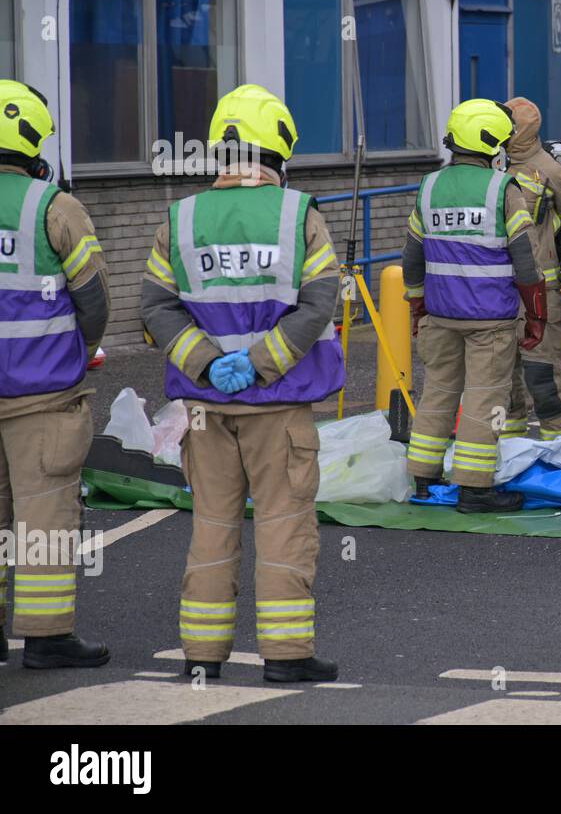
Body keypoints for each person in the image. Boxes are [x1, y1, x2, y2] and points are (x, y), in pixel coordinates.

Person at [140, 84, 344, 682]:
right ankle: (285, 657)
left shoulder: (180, 217)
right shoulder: (299, 214)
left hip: (202, 408)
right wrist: (260, 362)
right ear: (279, 149)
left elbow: (154, 307)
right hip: (276, 407)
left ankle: (202, 657)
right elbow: (318, 303)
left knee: (213, 525)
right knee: (282, 525)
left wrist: (205, 363)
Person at [0, 80, 111, 668]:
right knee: (42, 515)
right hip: (40, 397)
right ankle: (45, 639)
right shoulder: (54, 207)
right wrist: (81, 349)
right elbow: (93, 301)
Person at [403, 99, 547, 512]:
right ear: (491, 144)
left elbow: (411, 258)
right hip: (490, 321)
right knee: (486, 400)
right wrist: (537, 315)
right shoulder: (503, 188)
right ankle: (475, 489)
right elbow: (525, 260)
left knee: (438, 394)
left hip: (441, 314)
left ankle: (424, 480)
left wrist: (417, 304)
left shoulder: (428, 186)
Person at [500, 96, 561, 442]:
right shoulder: (491, 167)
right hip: (497, 294)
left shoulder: (550, 170)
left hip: (542, 296)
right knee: (503, 386)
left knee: (544, 380)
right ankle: (507, 458)